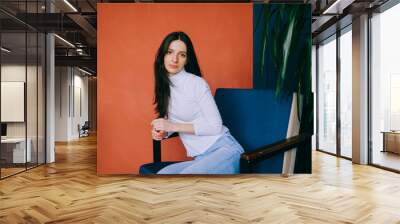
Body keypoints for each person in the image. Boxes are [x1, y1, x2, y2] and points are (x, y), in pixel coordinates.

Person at [151, 31, 244, 174]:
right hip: (201, 158)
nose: (174, 59)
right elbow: (176, 121)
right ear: (163, 55)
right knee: (161, 177)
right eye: (170, 52)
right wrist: (164, 132)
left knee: (183, 182)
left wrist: (172, 125)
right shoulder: (165, 87)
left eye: (181, 54)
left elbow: (215, 126)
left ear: (187, 60)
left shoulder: (197, 83)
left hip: (225, 151)